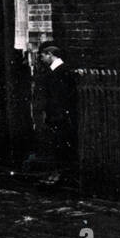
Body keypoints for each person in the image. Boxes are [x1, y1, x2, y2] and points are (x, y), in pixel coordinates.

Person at [38, 45, 78, 185]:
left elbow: (61, 97)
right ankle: (57, 172)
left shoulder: (62, 71)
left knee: (60, 144)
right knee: (56, 144)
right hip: (56, 115)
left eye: (42, 56)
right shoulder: (54, 71)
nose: (41, 59)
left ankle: (60, 173)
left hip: (60, 115)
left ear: (50, 55)